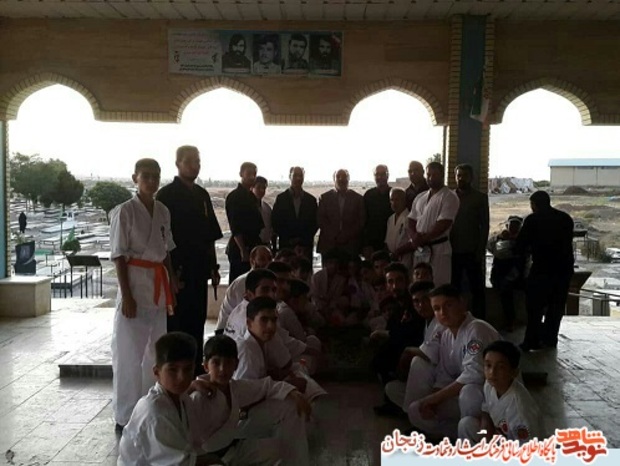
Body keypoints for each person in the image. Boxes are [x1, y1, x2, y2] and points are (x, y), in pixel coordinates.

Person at [110, 158, 177, 431]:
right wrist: (127, 296)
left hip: (158, 288)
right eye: (146, 176)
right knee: (128, 354)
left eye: (155, 176)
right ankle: (125, 415)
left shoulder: (163, 211)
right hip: (135, 286)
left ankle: (152, 407)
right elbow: (118, 256)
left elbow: (167, 250)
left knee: (155, 352)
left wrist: (172, 284)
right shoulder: (124, 211)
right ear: (135, 178)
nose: (151, 180)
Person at [189, 334, 311, 465]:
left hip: (233, 448)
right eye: (216, 363)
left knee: (277, 447)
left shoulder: (235, 388)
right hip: (207, 458)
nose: (222, 369)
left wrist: (294, 393)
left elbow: (266, 386)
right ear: (206, 365)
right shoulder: (198, 397)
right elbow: (185, 438)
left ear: (236, 365)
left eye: (228, 363)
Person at [157, 145, 223, 375]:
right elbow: (162, 240)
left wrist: (213, 267)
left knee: (197, 319)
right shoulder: (165, 196)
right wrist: (170, 275)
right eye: (190, 161)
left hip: (199, 269)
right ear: (178, 164)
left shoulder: (202, 195)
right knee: (177, 323)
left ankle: (194, 371)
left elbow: (210, 235)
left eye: (198, 161)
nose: (195, 166)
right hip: (177, 271)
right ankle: (174, 372)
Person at [405, 284, 500, 440]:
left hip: (488, 398)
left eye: (448, 305)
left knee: (469, 392)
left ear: (462, 303)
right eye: (436, 309)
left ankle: (473, 434)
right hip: (463, 399)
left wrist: (435, 398)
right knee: (416, 409)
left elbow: (474, 375)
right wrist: (432, 402)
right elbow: (444, 375)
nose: (442, 313)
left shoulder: (476, 329)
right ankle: (455, 435)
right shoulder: (446, 335)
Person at [118, 332, 214, 465]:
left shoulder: (182, 398)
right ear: (157, 372)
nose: (181, 377)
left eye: (188, 369)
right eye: (173, 370)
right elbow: (180, 463)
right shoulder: (154, 412)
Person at [234, 297, 327, 403]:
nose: (270, 326)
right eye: (264, 320)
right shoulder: (246, 348)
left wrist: (277, 376)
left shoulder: (263, 341)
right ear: (249, 323)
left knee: (298, 370)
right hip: (248, 407)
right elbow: (246, 395)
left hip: (259, 396)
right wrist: (287, 387)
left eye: (273, 320)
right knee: (294, 400)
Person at [517, 190, 574, 351]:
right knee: (556, 307)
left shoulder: (533, 220)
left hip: (542, 269)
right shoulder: (565, 218)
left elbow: (521, 245)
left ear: (534, 204)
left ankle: (531, 341)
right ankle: (550, 339)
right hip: (563, 269)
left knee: (535, 307)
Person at [458, 340, 541, 443]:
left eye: (500, 367)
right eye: (488, 365)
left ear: (514, 372)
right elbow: (486, 410)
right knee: (466, 425)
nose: (492, 372)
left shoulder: (519, 408)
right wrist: (485, 432)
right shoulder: (490, 384)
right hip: (499, 437)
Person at [384, 281, 443, 411]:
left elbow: (430, 355)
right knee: (391, 388)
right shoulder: (426, 322)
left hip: (444, 381)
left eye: (425, 300)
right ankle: (416, 410)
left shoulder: (441, 321)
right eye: (416, 301)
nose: (421, 305)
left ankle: (416, 413)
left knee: (418, 362)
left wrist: (408, 351)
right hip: (430, 381)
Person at [407, 162, 460, 287]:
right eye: (429, 175)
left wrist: (423, 239)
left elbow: (444, 223)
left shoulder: (449, 196)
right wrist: (414, 237)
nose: (431, 178)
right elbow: (411, 220)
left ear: (442, 175)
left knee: (438, 285)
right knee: (419, 285)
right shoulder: (420, 197)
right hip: (420, 249)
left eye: (435, 175)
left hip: (438, 248)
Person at [450, 164, 490, 319]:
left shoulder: (480, 198)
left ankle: (480, 321)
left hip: (472, 251)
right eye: (459, 175)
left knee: (477, 289)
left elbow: (484, 226)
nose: (461, 179)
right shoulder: (450, 197)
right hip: (452, 251)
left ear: (471, 177)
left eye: (465, 175)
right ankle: (454, 318)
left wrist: (480, 250)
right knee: (453, 288)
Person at [216, 245, 273, 332]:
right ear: (252, 261)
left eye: (270, 258)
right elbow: (245, 314)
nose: (267, 262)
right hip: (227, 330)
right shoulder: (242, 283)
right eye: (262, 259)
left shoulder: (269, 280)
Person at [225, 162, 264, 282]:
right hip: (241, 248)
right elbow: (235, 226)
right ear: (241, 174)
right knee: (239, 283)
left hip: (252, 245)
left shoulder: (251, 197)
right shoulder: (235, 197)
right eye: (249, 173)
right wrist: (243, 250)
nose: (252, 177)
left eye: (254, 174)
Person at [487, 216, 526, 331]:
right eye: (511, 225)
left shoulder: (522, 242)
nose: (512, 228)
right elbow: (490, 247)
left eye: (515, 226)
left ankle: (510, 321)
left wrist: (510, 278)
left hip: (514, 275)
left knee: (507, 294)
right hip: (499, 274)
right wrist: (499, 238)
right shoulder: (501, 238)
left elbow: (521, 264)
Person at [317, 169, 365, 259]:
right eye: (338, 176)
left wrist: (346, 235)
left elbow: (361, 221)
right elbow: (321, 220)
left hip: (350, 246)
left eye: (344, 177)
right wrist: (335, 235)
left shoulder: (358, 199)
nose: (341, 179)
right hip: (329, 245)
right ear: (334, 179)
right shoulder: (324, 198)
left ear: (348, 179)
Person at [272, 166, 318, 259]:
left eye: (301, 176)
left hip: (305, 247)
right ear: (290, 176)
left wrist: (302, 240)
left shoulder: (311, 200)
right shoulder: (281, 199)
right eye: (295, 175)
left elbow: (315, 223)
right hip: (286, 246)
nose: (298, 178)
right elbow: (275, 221)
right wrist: (289, 239)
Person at [363, 164, 392, 259]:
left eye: (383, 174)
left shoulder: (394, 194)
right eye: (377, 174)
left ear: (388, 175)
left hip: (391, 242)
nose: (380, 177)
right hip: (372, 244)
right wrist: (365, 244)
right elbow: (364, 220)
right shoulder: (368, 195)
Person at [386, 187, 413, 271]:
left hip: (405, 258)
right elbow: (387, 241)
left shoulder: (409, 218)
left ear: (404, 200)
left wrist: (398, 252)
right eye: (392, 200)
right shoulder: (390, 219)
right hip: (392, 259)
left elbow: (413, 241)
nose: (394, 203)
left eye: (397, 200)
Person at [251, 176, 275, 248]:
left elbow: (271, 230)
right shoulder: (246, 207)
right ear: (252, 188)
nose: (261, 190)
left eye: (263, 188)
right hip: (251, 246)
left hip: (266, 246)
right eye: (258, 187)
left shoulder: (267, 208)